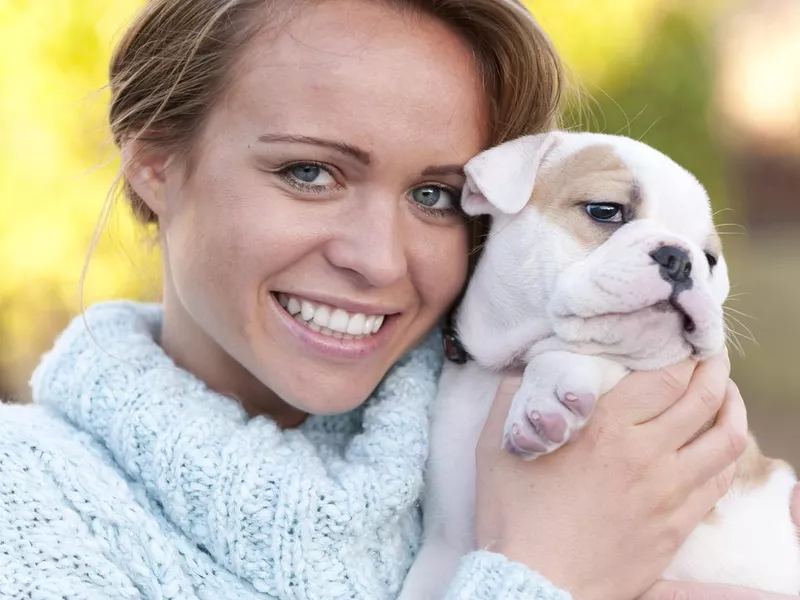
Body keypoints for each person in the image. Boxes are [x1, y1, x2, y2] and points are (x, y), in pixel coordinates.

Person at [0, 0, 797, 598]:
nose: (376, 259)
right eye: (309, 173)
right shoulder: (31, 503)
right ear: (155, 164)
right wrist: (546, 572)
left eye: (436, 196)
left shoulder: (602, 437)